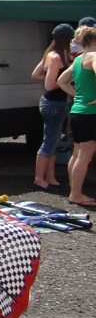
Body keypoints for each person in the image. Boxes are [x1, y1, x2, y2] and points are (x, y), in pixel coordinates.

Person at [30, 23, 74, 189]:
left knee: (53, 142)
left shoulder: (49, 54)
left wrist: (51, 75)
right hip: (54, 104)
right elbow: (50, 86)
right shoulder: (56, 58)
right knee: (49, 142)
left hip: (49, 102)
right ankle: (39, 179)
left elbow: (35, 74)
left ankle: (51, 178)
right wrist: (64, 80)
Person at [57, 25, 96, 207]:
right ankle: (76, 194)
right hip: (90, 113)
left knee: (77, 153)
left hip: (77, 111)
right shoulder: (94, 56)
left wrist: (78, 95)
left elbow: (61, 81)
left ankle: (74, 191)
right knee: (85, 155)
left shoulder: (78, 59)